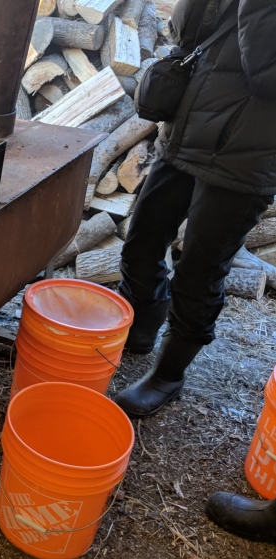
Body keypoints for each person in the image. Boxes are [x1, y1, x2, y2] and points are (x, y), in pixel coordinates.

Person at [114, 0, 276, 419]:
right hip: (187, 132)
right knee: (142, 240)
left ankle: (167, 376)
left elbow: (265, 73)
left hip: (244, 158)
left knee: (199, 271)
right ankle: (141, 329)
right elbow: (185, 35)